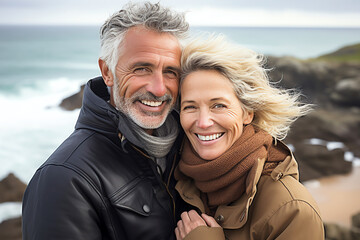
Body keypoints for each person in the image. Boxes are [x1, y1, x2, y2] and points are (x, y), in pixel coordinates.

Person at [22, 2, 189, 239]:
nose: (159, 88)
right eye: (142, 69)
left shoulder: (190, 145)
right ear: (107, 72)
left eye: (171, 72)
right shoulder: (64, 179)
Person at [174, 35, 325, 240]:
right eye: (190, 107)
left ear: (247, 113)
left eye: (218, 105)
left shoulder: (292, 209)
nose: (203, 122)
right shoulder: (177, 182)